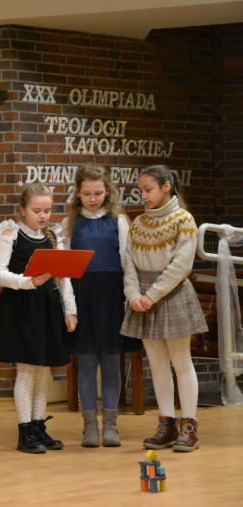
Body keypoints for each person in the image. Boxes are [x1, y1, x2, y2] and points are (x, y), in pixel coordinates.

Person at [121, 165, 208, 452]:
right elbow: (129, 263)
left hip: (172, 294)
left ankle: (189, 427)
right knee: (157, 364)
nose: (143, 196)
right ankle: (166, 424)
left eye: (148, 190)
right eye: (141, 191)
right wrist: (134, 294)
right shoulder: (138, 223)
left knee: (181, 362)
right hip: (143, 298)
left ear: (166, 186)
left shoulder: (183, 219)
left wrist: (152, 295)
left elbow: (181, 265)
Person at [0, 183, 78, 453]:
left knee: (43, 371)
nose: (43, 215)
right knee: (27, 371)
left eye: (47, 210)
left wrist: (70, 309)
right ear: (22, 210)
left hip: (47, 306)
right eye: (36, 210)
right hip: (20, 306)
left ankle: (39, 427)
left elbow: (64, 277)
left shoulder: (53, 236)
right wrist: (29, 281)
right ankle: (25, 431)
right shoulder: (10, 233)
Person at [63, 165, 140, 447]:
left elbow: (128, 263)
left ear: (107, 192)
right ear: (78, 193)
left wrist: (129, 298)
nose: (93, 198)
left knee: (110, 361)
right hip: (82, 297)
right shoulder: (69, 224)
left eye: (98, 193)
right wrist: (69, 308)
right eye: (87, 194)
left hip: (111, 298)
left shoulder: (118, 221)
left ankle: (110, 425)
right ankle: (89, 427)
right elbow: (64, 272)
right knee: (86, 361)